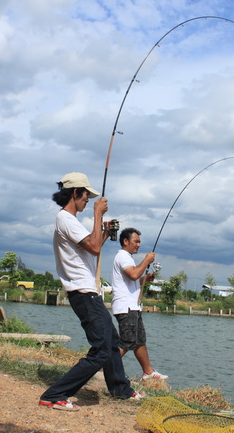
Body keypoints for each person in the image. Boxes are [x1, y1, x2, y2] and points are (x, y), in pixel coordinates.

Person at [39, 172, 143, 412]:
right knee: (100, 349)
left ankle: (121, 389)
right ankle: (54, 394)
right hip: (82, 292)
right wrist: (98, 215)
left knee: (112, 340)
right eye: (86, 195)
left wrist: (104, 231)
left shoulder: (70, 221)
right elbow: (95, 248)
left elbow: (91, 248)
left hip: (88, 291)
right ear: (75, 192)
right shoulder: (65, 218)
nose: (88, 199)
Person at [111, 228, 168, 380]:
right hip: (126, 307)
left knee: (139, 341)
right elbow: (134, 274)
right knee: (127, 341)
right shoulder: (123, 256)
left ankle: (148, 372)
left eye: (139, 242)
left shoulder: (127, 257)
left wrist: (145, 279)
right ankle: (105, 369)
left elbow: (133, 280)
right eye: (136, 241)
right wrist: (147, 261)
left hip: (133, 307)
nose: (138, 245)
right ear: (125, 241)